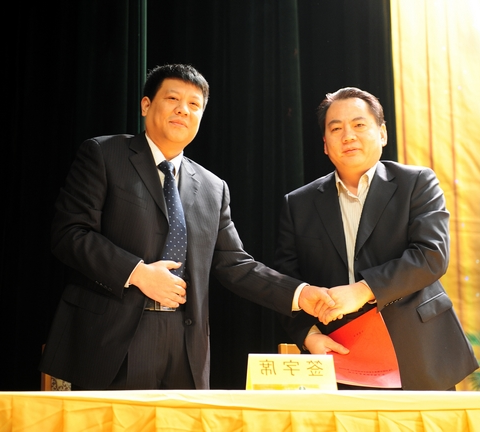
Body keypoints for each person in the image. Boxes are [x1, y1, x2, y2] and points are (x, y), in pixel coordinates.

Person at [39, 64, 335, 390]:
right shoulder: (104, 155)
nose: (183, 109)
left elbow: (236, 265)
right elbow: (70, 234)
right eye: (173, 99)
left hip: (184, 346)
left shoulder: (213, 187)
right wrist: (137, 273)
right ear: (146, 105)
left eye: (194, 104)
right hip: (108, 338)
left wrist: (300, 294)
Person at [275, 87, 479, 390]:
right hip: (338, 356)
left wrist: (362, 290)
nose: (348, 136)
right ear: (325, 145)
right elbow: (286, 283)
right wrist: (309, 335)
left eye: (359, 125)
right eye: (336, 129)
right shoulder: (299, 204)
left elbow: (431, 256)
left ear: (382, 134)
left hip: (417, 352)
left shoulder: (417, 183)